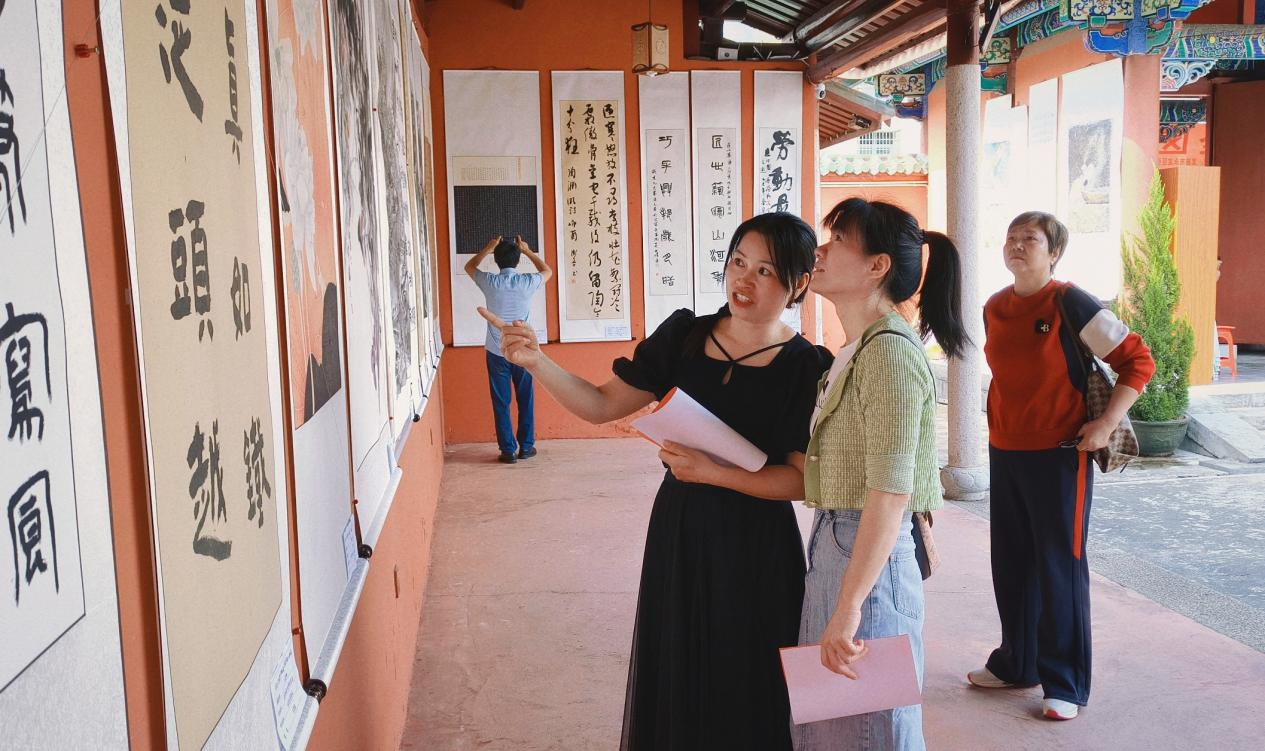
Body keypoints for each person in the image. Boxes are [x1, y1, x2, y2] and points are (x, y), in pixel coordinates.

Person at [485, 213, 831, 750]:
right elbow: (601, 405)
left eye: (765, 271)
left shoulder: (806, 365)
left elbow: (800, 481)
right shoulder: (685, 337)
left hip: (756, 543)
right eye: (739, 262)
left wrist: (715, 473)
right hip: (682, 530)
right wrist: (537, 362)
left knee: (748, 676)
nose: (744, 280)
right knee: (680, 667)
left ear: (799, 283)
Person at [794, 198, 967, 751]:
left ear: (877, 266)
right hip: (839, 544)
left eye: (837, 242)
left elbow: (890, 495)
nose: (819, 252)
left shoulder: (889, 353)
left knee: (872, 731)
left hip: (867, 556)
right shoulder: (857, 349)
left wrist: (848, 609)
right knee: (835, 725)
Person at [968, 211, 1154, 720]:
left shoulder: (1070, 302)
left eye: (1030, 239)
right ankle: (1017, 663)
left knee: (1058, 565)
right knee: (1011, 563)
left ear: (1054, 253)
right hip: (1005, 449)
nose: (1016, 245)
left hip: (1060, 454)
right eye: (1010, 237)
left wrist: (1106, 423)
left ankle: (1065, 683)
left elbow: (1138, 360)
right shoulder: (994, 307)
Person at [465, 235, 552, 463]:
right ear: (518, 260)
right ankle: (526, 447)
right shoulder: (527, 282)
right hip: (523, 350)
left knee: (501, 401)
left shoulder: (490, 282)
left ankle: (507, 451)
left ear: (496, 260)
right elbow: (547, 271)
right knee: (526, 399)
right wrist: (528, 251)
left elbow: (469, 266)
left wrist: (488, 247)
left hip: (496, 351)